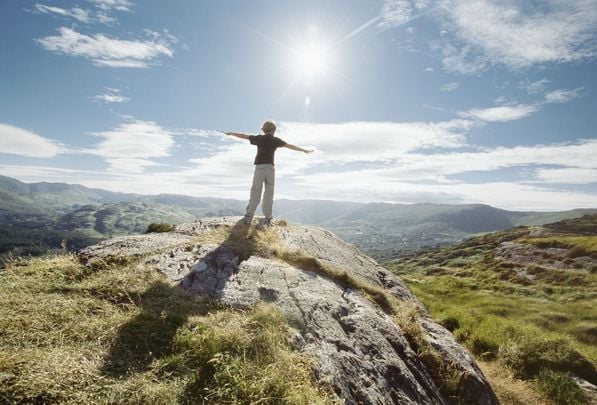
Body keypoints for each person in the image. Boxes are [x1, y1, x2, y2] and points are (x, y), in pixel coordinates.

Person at [223, 120, 313, 226]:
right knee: (269, 193)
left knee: (255, 191)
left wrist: (231, 133)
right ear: (273, 130)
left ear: (264, 130)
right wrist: (303, 150)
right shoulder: (275, 140)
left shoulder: (259, 138)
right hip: (270, 169)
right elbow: (289, 146)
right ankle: (268, 217)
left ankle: (248, 217)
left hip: (260, 168)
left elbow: (243, 136)